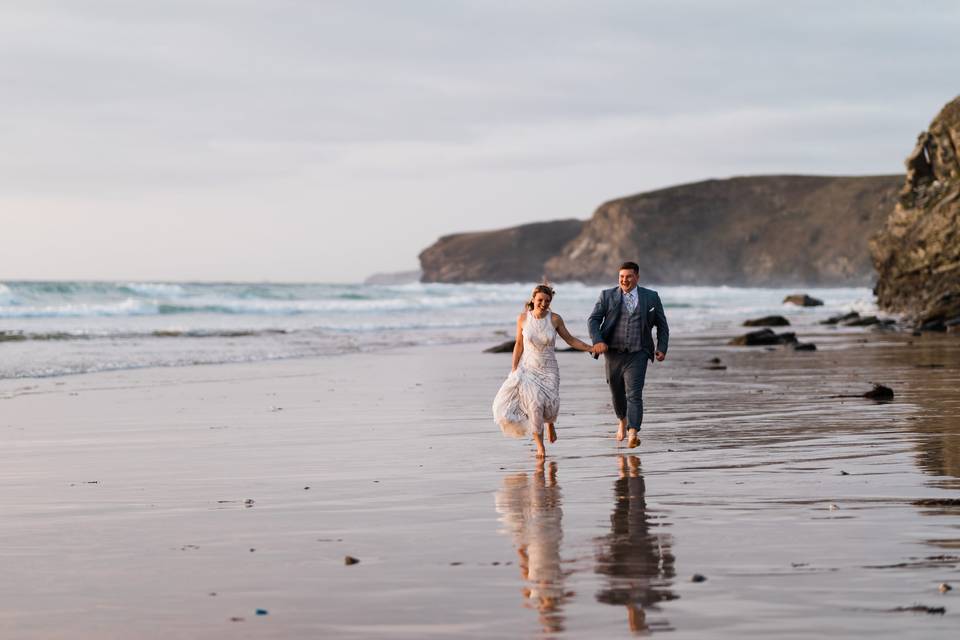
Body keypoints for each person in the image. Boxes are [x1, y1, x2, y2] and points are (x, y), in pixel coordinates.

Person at [493, 284, 594, 458]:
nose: (543, 303)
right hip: (528, 368)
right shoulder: (523, 319)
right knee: (534, 405)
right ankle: (540, 446)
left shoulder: (555, 319)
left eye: (547, 301)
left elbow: (570, 340)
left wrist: (589, 348)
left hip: (549, 370)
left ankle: (550, 424)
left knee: (548, 403)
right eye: (540, 300)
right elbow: (518, 344)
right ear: (533, 299)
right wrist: (514, 368)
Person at [588, 262, 669, 448]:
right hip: (613, 353)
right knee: (616, 393)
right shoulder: (607, 296)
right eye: (621, 277)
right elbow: (593, 320)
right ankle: (622, 421)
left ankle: (633, 432)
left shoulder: (651, 297)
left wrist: (662, 348)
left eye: (628, 276)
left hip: (638, 352)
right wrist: (597, 340)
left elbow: (662, 326)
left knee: (634, 393)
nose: (624, 280)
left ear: (637, 277)